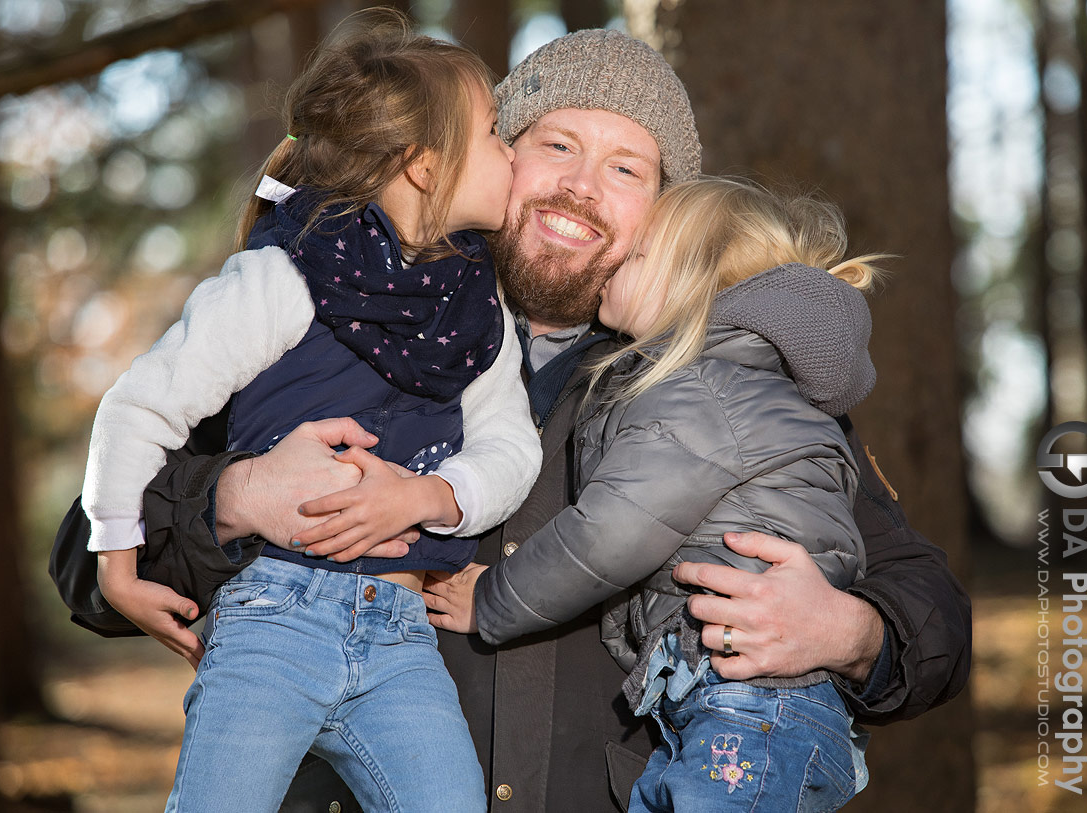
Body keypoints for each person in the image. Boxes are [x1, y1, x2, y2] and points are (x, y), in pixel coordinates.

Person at [59, 28, 970, 812]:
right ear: (489, 153)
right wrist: (235, 495)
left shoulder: (719, 378)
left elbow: (929, 605)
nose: (580, 187)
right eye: (556, 144)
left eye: (626, 168)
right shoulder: (340, 306)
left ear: (666, 211)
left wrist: (851, 633)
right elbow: (85, 558)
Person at [79, 16, 539, 812]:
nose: (513, 152)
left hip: (400, 634)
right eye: (495, 132)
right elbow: (139, 405)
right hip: (271, 619)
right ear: (425, 168)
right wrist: (117, 565)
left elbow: (510, 444)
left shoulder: (476, 305)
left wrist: (432, 496)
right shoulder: (285, 275)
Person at [426, 176, 884, 811]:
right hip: (742, 708)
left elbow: (609, 534)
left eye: (638, 256)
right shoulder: (746, 386)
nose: (618, 259)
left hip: (750, 707)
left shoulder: (700, 392)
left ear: (689, 283)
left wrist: (493, 598)